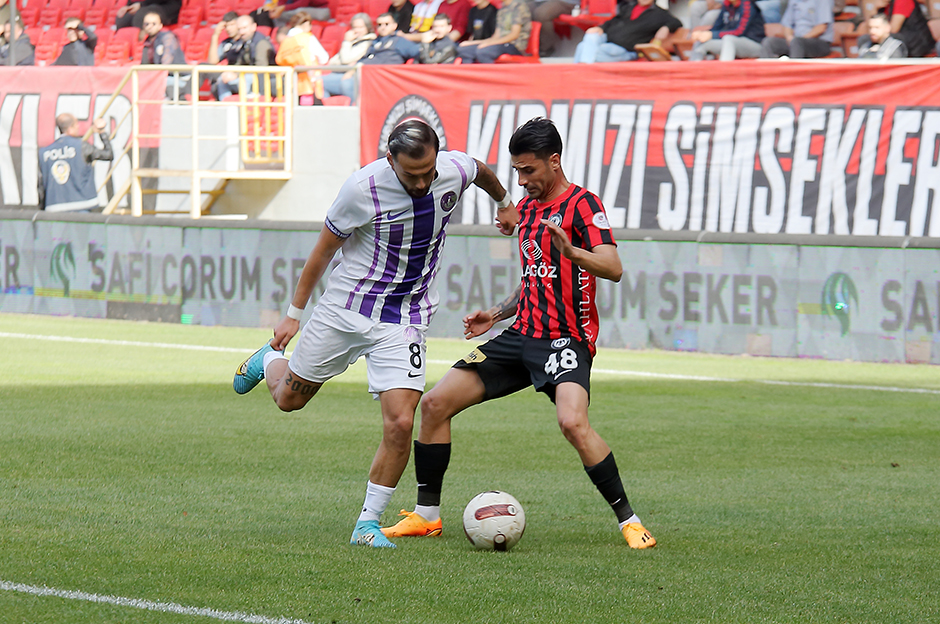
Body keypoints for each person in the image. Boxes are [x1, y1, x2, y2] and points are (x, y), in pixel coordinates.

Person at [231, 120, 512, 549]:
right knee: (289, 400)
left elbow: (480, 170)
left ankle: (367, 524)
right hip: (345, 310)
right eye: (411, 175)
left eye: (428, 172)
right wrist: (293, 316)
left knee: (401, 421)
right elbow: (322, 252)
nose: (422, 183)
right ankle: (268, 361)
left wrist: (505, 202)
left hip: (405, 319)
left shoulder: (453, 170)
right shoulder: (361, 189)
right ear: (389, 161)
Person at [383, 117, 657, 550]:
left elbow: (613, 267)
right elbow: (534, 279)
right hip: (520, 335)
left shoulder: (584, 205)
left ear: (554, 161)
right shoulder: (527, 210)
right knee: (434, 404)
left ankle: (630, 521)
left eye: (529, 170)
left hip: (565, 339)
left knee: (572, 422)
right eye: (516, 171)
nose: (522, 180)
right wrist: (496, 314)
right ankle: (427, 516)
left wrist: (571, 251)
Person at [38, 114, 113, 213]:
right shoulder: (82, 146)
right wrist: (102, 132)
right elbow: (108, 155)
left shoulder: (44, 152)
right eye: (76, 125)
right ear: (70, 128)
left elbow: (41, 184)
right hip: (82, 205)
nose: (78, 128)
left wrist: (43, 208)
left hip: (55, 207)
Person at [572, 0, 681, 63]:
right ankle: (584, 66)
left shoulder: (660, 14)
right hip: (606, 40)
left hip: (625, 50)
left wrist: (666, 27)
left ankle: (580, 70)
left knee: (583, 48)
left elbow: (677, 23)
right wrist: (601, 28)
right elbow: (613, 20)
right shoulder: (628, 7)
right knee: (591, 36)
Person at [215, 15, 276, 101]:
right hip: (249, 75)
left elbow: (261, 67)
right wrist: (230, 73)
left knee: (245, 79)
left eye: (244, 28)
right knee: (222, 80)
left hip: (265, 77)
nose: (242, 32)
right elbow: (240, 62)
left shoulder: (261, 42)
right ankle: (228, 106)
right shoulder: (245, 42)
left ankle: (245, 106)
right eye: (239, 29)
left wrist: (237, 74)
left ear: (254, 27)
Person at [275, 11, 329, 104]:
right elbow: (324, 58)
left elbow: (280, 60)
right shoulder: (307, 37)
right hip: (309, 80)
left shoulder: (286, 40)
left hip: (291, 81)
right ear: (306, 24)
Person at [321, 13, 376, 101]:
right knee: (316, 81)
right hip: (338, 72)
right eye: (355, 27)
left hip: (351, 76)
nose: (357, 30)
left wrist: (346, 42)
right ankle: (326, 105)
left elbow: (346, 59)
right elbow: (333, 61)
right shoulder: (354, 40)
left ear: (368, 27)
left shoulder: (368, 42)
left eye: (361, 27)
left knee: (318, 82)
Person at [457, 0, 530, 63]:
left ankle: (490, 75)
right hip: (500, 43)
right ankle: (469, 74)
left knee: (483, 52)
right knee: (464, 50)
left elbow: (514, 35)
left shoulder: (519, 6)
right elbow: (496, 36)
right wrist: (473, 43)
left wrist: (489, 43)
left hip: (515, 45)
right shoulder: (502, 8)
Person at [689, 0, 765, 60]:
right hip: (731, 42)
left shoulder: (747, 4)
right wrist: (703, 34)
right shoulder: (727, 5)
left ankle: (724, 71)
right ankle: (693, 68)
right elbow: (717, 26)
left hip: (754, 44)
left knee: (728, 38)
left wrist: (712, 35)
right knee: (701, 42)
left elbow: (739, 32)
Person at [760, 0, 834, 58]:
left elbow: (821, 28)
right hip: (795, 42)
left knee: (797, 43)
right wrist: (789, 37)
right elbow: (787, 25)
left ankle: (792, 72)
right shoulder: (794, 1)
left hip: (819, 43)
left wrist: (799, 40)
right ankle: (766, 71)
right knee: (769, 42)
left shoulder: (823, 1)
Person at [140, 10, 188, 99]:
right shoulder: (147, 43)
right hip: (160, 78)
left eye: (154, 24)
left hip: (178, 78)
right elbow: (144, 66)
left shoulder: (167, 37)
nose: (150, 26)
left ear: (160, 26)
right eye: (147, 24)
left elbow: (165, 64)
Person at [866, 0, 934, 58]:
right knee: (866, 39)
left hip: (917, 48)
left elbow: (893, 29)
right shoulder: (884, 4)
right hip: (904, 44)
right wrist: (876, 8)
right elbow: (872, 24)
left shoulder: (903, 1)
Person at [114, 0, 181, 30]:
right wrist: (129, 7)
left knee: (143, 16)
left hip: (167, 7)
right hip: (147, 5)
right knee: (123, 18)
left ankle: (144, 45)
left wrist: (141, 5)